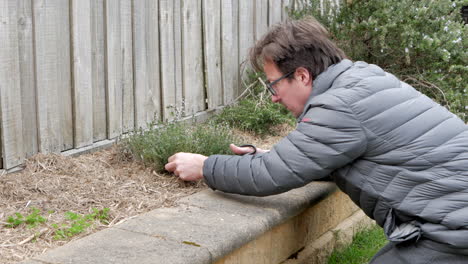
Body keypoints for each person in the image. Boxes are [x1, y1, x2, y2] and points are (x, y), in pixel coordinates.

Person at [164, 17, 468, 263]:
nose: (273, 98)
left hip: (452, 230)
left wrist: (205, 166)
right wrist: (263, 152)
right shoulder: (361, 78)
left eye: (274, 86)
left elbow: (272, 174)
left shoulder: (339, 106)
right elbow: (331, 155)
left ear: (302, 75)